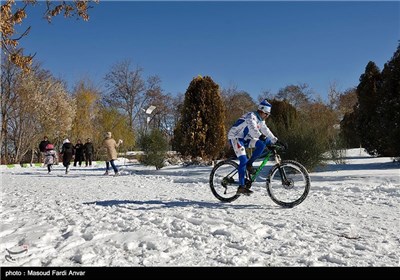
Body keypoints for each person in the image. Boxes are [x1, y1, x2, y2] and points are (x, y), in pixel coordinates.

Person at [228, 99, 282, 196]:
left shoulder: (261, 120)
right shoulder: (251, 116)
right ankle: (241, 186)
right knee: (243, 160)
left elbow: (266, 130)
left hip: (246, 138)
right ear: (261, 111)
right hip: (236, 137)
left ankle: (249, 164)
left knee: (261, 145)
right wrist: (263, 137)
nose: (267, 116)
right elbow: (253, 130)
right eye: (266, 114)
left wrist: (276, 140)